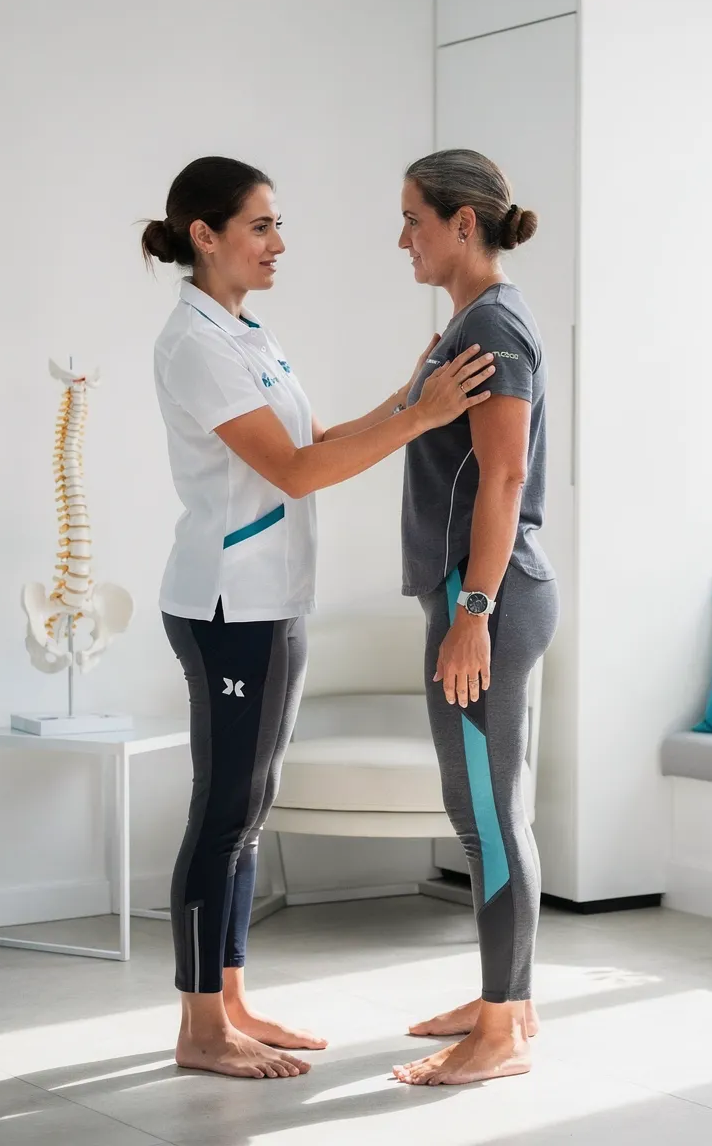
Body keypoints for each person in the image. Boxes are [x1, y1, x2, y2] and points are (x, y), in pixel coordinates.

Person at [144, 155, 497, 1081]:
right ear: (205, 236)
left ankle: (232, 1001)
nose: (278, 244)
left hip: (275, 600)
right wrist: (420, 419)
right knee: (223, 812)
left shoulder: (246, 334)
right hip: (228, 606)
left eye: (276, 225)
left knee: (248, 814)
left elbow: (314, 440)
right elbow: (293, 473)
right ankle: (198, 1027)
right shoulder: (193, 343)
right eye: (261, 227)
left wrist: (412, 395)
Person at [388, 149, 559, 1086]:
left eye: (413, 217)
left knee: (489, 817)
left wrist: (475, 611)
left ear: (463, 223)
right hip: (469, 589)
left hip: (484, 592)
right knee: (490, 810)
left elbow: (505, 474)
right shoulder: (470, 320)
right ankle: (511, 998)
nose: (402, 237)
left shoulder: (491, 324)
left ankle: (498, 1035)